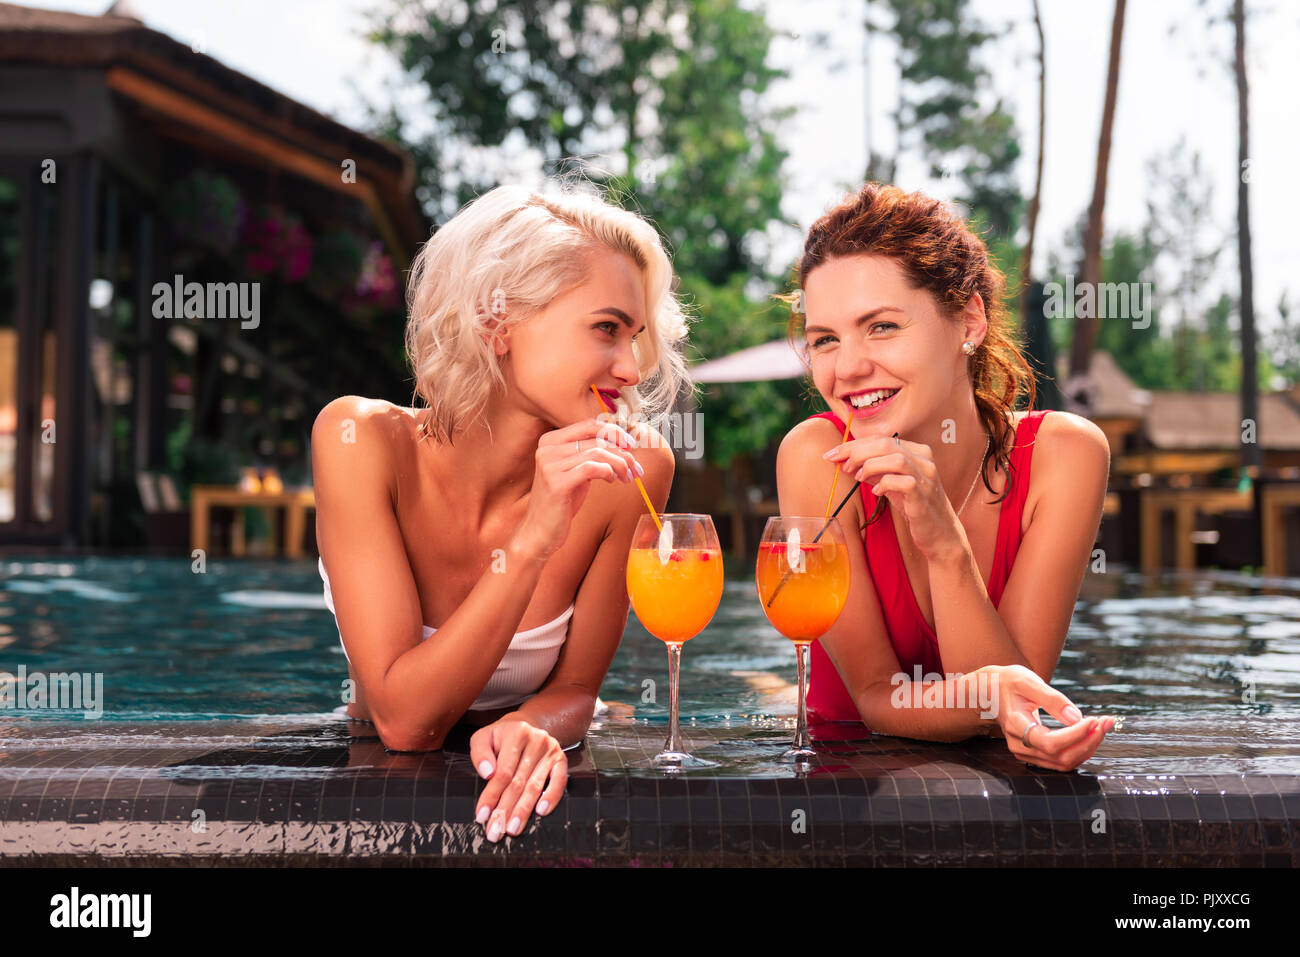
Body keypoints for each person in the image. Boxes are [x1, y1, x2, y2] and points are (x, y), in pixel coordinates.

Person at [312, 184, 686, 842]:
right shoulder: (359, 440)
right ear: (496, 323)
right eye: (606, 328)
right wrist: (537, 535)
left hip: (522, 783)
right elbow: (404, 724)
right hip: (380, 780)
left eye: (635, 336)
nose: (631, 367)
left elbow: (575, 690)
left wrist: (534, 725)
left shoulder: (633, 471)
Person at [775, 183, 1115, 772]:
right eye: (824, 339)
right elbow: (880, 699)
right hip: (846, 791)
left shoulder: (1065, 455)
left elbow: (1010, 701)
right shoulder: (817, 456)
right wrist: (994, 694)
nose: (848, 368)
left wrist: (945, 547)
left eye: (881, 326)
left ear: (969, 320)